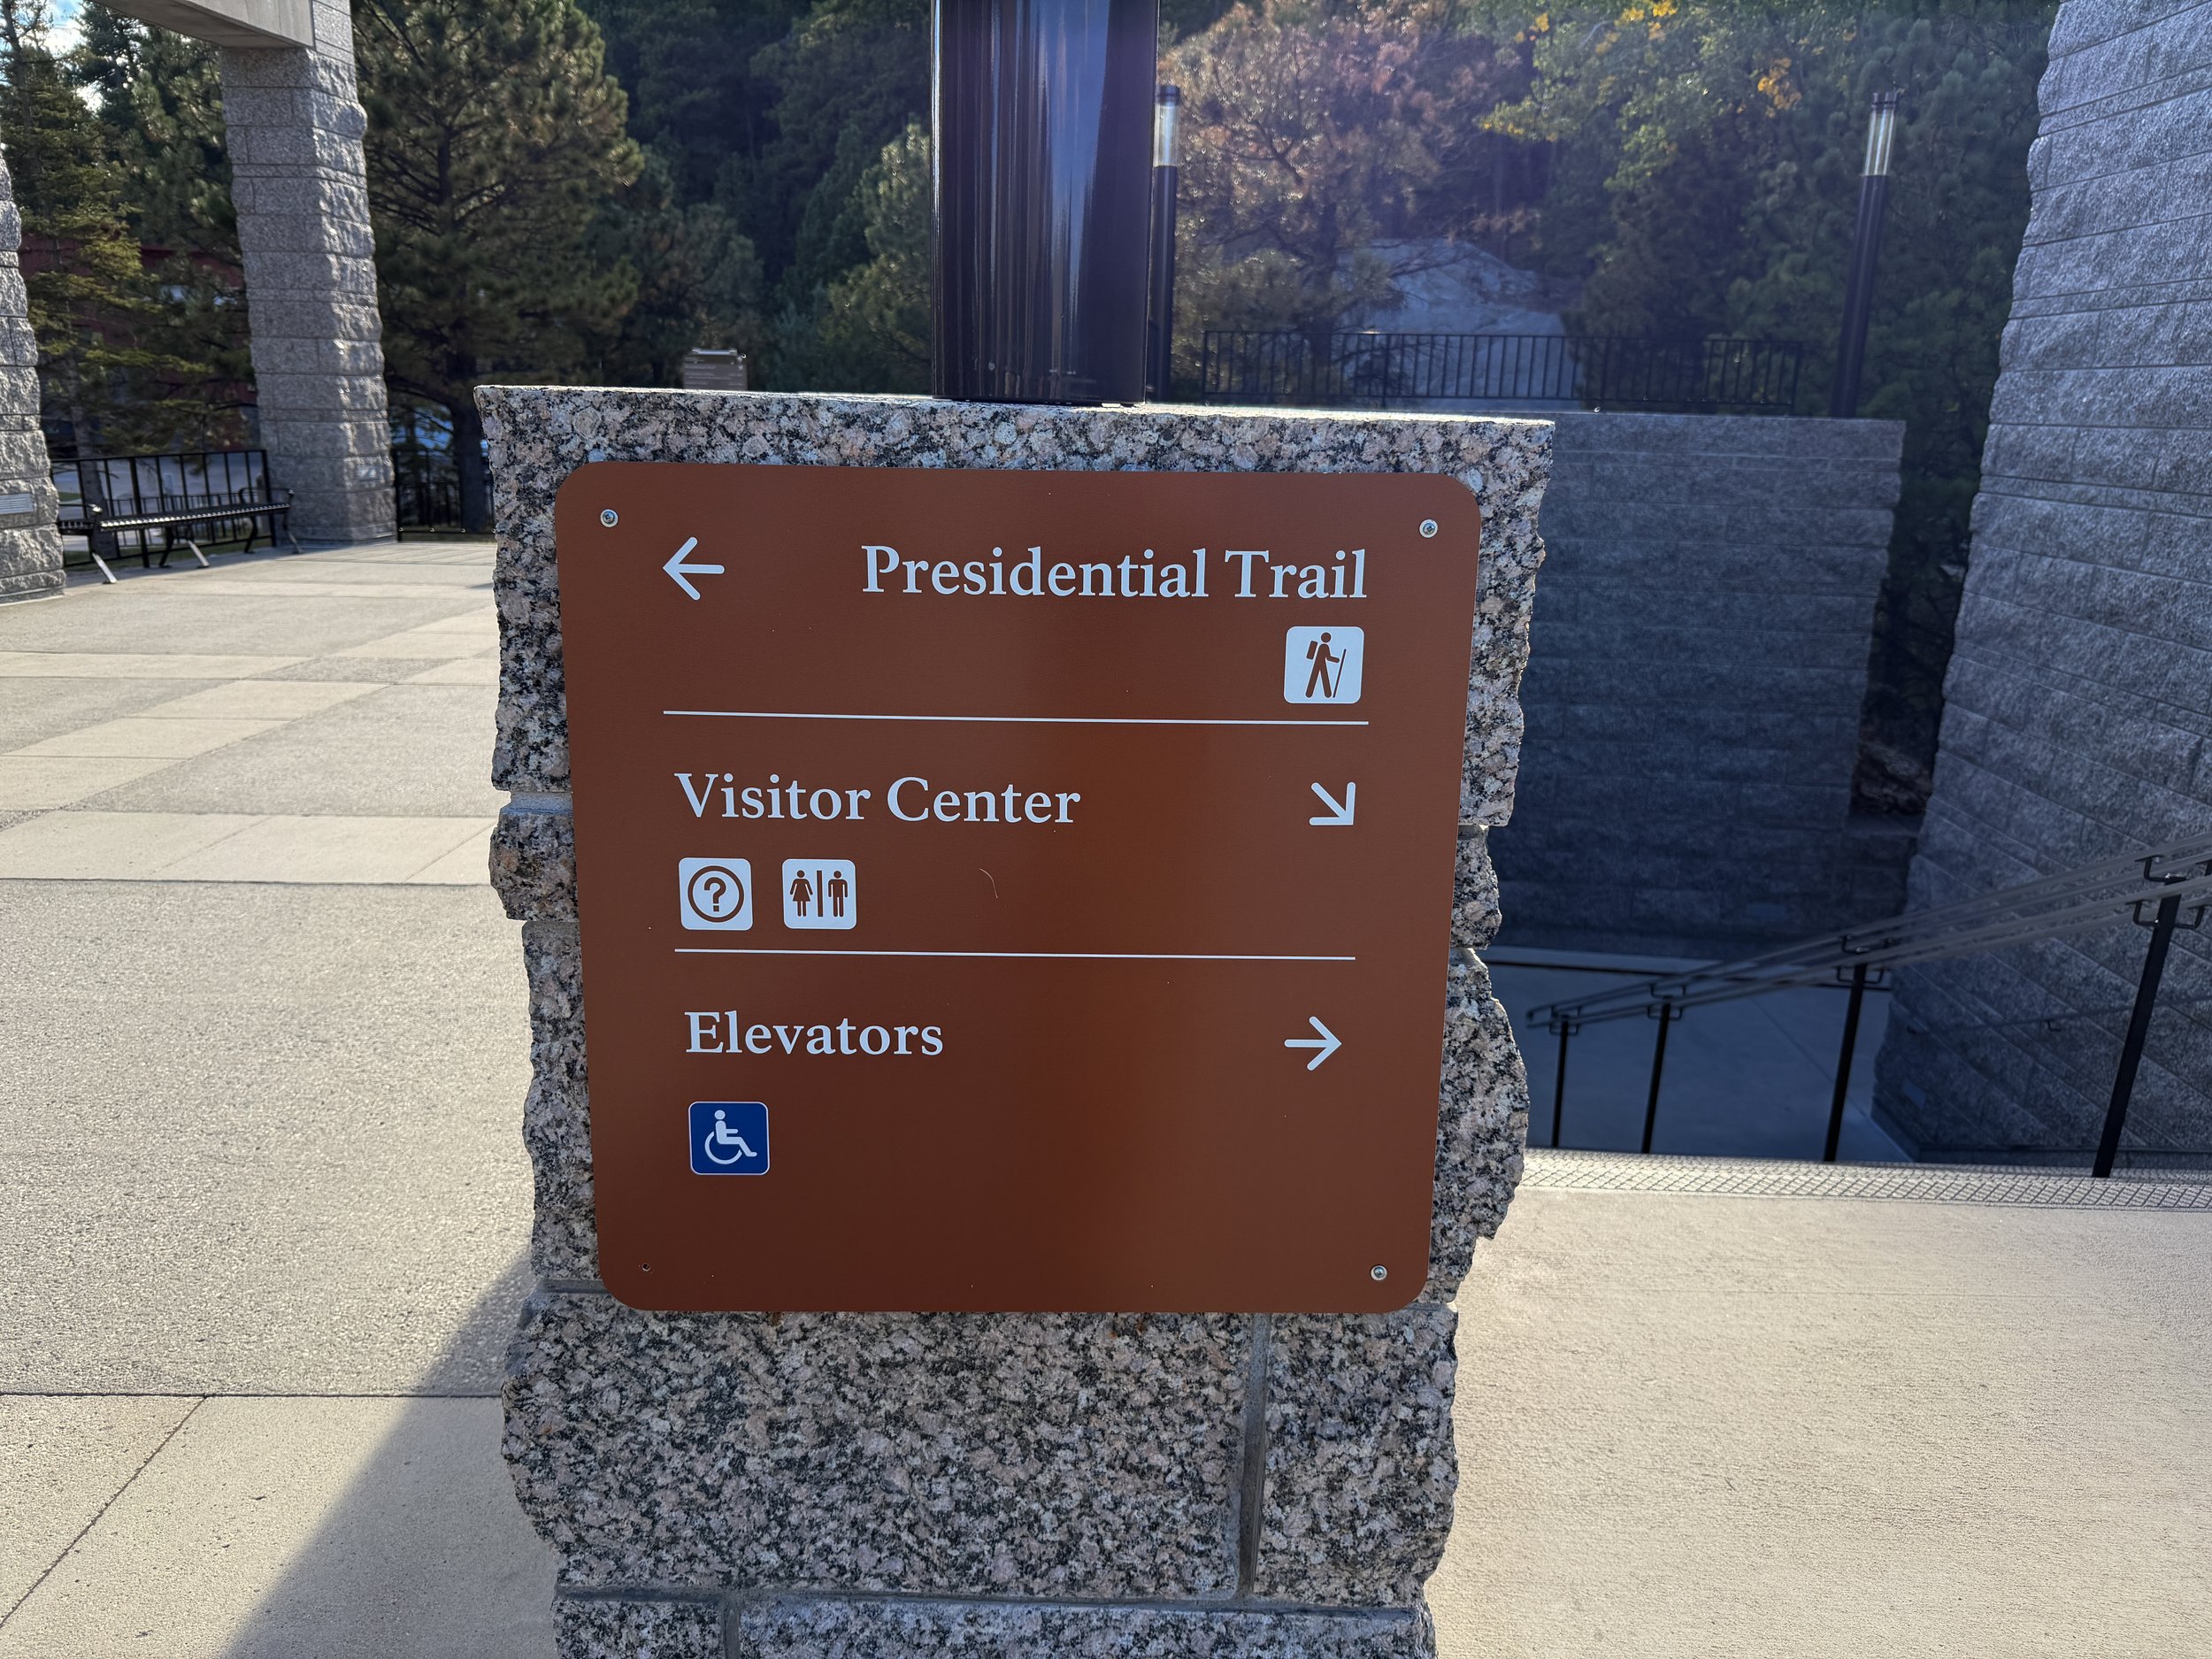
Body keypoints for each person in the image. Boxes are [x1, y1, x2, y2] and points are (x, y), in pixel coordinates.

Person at [1304, 631, 1344, 699]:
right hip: (1320, 664)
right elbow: (1328, 658)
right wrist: (1337, 660)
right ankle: (1314, 694)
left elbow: (1310, 656)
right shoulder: (1324, 646)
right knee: (1321, 677)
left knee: (1317, 677)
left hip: (1319, 664)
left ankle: (1311, 694)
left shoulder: (1322, 646)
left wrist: (1336, 660)